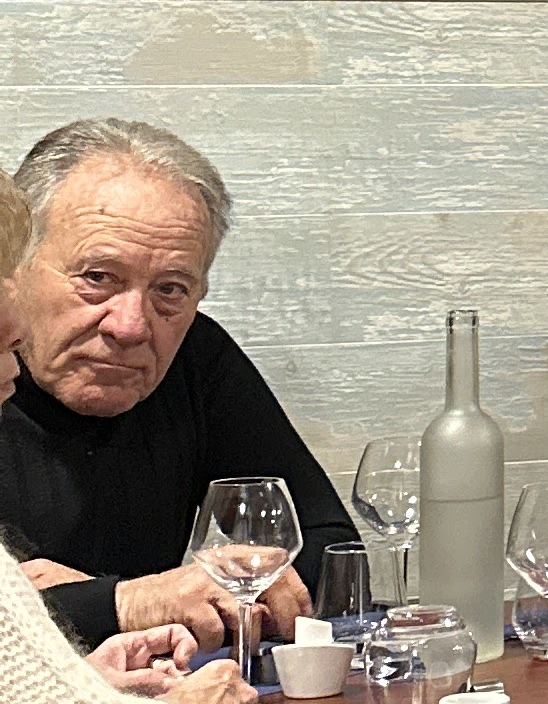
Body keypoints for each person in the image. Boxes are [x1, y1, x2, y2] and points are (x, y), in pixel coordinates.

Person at [2, 117, 348, 656]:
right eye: (98, 278)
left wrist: (123, 597)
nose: (131, 326)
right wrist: (126, 602)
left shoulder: (195, 357)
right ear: (17, 265)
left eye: (170, 289)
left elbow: (331, 553)